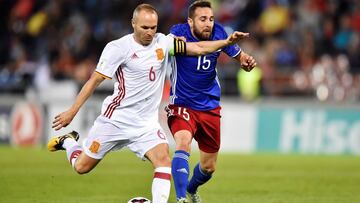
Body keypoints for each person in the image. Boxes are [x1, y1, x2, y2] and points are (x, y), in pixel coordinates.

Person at [47, 3, 249, 203]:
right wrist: (72, 112)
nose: (149, 33)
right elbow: (94, 81)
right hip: (116, 120)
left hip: (145, 124)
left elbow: (197, 48)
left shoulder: (164, 43)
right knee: (82, 167)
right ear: (133, 24)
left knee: (163, 161)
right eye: (145, 27)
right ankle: (69, 142)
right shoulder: (118, 48)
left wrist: (226, 42)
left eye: (153, 27)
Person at [166, 1, 257, 203]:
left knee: (208, 167)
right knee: (182, 143)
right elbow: (196, 48)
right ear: (190, 21)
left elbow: (240, 56)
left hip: (209, 106)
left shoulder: (219, 32)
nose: (208, 24)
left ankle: (190, 190)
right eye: (203, 19)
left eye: (211, 19)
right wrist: (226, 43)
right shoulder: (177, 32)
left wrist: (246, 61)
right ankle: (181, 199)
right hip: (182, 103)